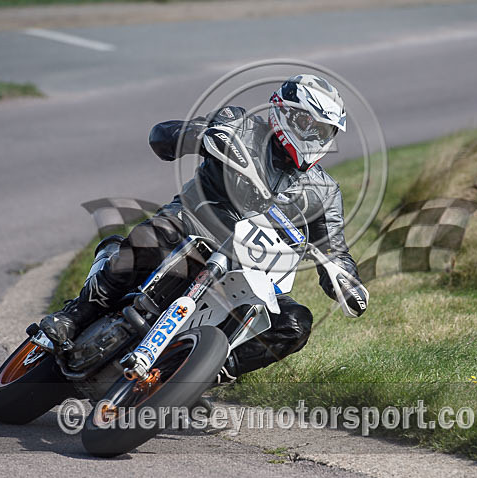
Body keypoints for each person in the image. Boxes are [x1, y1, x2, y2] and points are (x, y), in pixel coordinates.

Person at [40, 74, 368, 382]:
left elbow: (333, 248)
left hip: (252, 269)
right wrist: (198, 136)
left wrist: (347, 282)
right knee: (153, 237)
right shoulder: (238, 123)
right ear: (284, 112)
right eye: (310, 125)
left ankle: (197, 379)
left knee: (294, 323)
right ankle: (77, 315)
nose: (316, 137)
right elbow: (163, 137)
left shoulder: (323, 192)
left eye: (325, 132)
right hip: (192, 227)